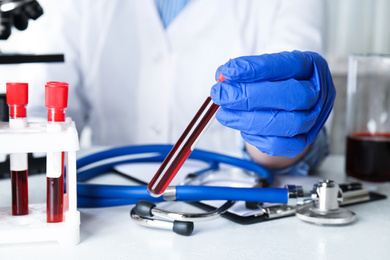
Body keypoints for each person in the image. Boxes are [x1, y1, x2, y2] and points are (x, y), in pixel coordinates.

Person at [11, 0, 334, 175]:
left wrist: (280, 132)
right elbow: (40, 123)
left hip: (234, 216)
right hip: (102, 214)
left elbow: (288, 111)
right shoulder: (74, 7)